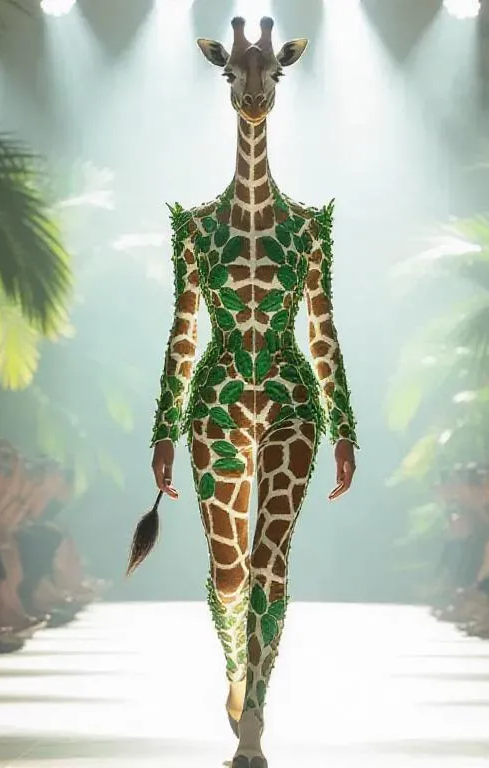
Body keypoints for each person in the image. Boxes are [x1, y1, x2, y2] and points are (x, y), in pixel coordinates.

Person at [142, 15, 358, 768]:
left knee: (272, 559)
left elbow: (322, 332)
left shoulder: (306, 230)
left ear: (280, 76)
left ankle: (256, 712)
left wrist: (344, 426)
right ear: (225, 77)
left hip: (293, 402)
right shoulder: (199, 231)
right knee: (229, 570)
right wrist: (165, 428)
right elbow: (183, 334)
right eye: (240, 75)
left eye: (268, 75)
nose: (256, 89)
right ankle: (237, 669)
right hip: (216, 403)